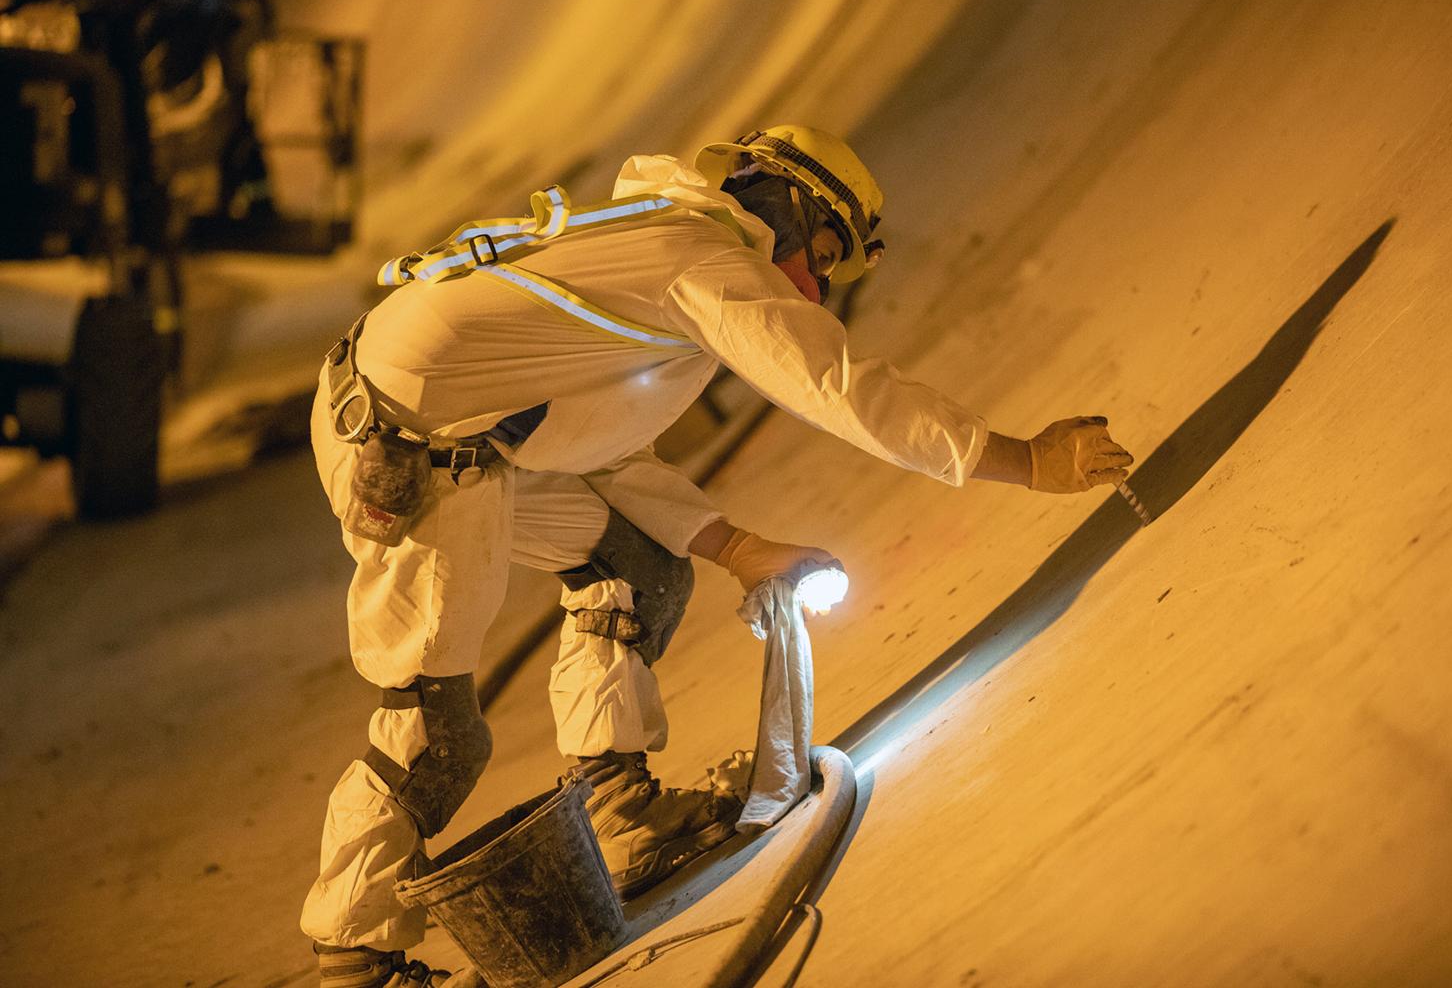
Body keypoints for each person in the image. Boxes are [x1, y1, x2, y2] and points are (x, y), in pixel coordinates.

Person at [303, 124, 1134, 986]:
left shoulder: (655, 244)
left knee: (637, 569)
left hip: (450, 430)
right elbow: (837, 386)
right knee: (434, 731)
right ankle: (354, 955)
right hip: (411, 446)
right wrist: (1024, 460)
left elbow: (601, 451)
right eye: (822, 256)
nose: (814, 287)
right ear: (789, 206)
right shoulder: (701, 261)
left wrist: (737, 549)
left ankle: (616, 811)